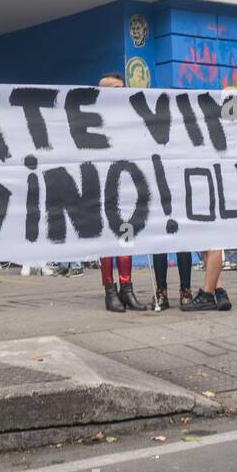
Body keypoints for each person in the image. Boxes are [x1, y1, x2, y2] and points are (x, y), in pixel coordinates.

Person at [94, 72, 147, 312]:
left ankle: (127, 289)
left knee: (126, 235)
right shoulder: (93, 117)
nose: (122, 91)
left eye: (122, 87)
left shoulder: (129, 115)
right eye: (116, 88)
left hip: (125, 183)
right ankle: (109, 291)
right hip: (100, 184)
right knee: (107, 238)